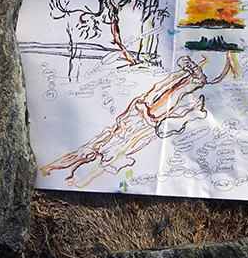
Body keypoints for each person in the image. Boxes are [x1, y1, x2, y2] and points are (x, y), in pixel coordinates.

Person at [41, 52, 238, 187]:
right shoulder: (184, 78)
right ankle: (66, 174)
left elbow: (205, 81)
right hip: (143, 115)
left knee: (103, 150)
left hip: (145, 118)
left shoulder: (188, 84)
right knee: (100, 149)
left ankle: (70, 176)